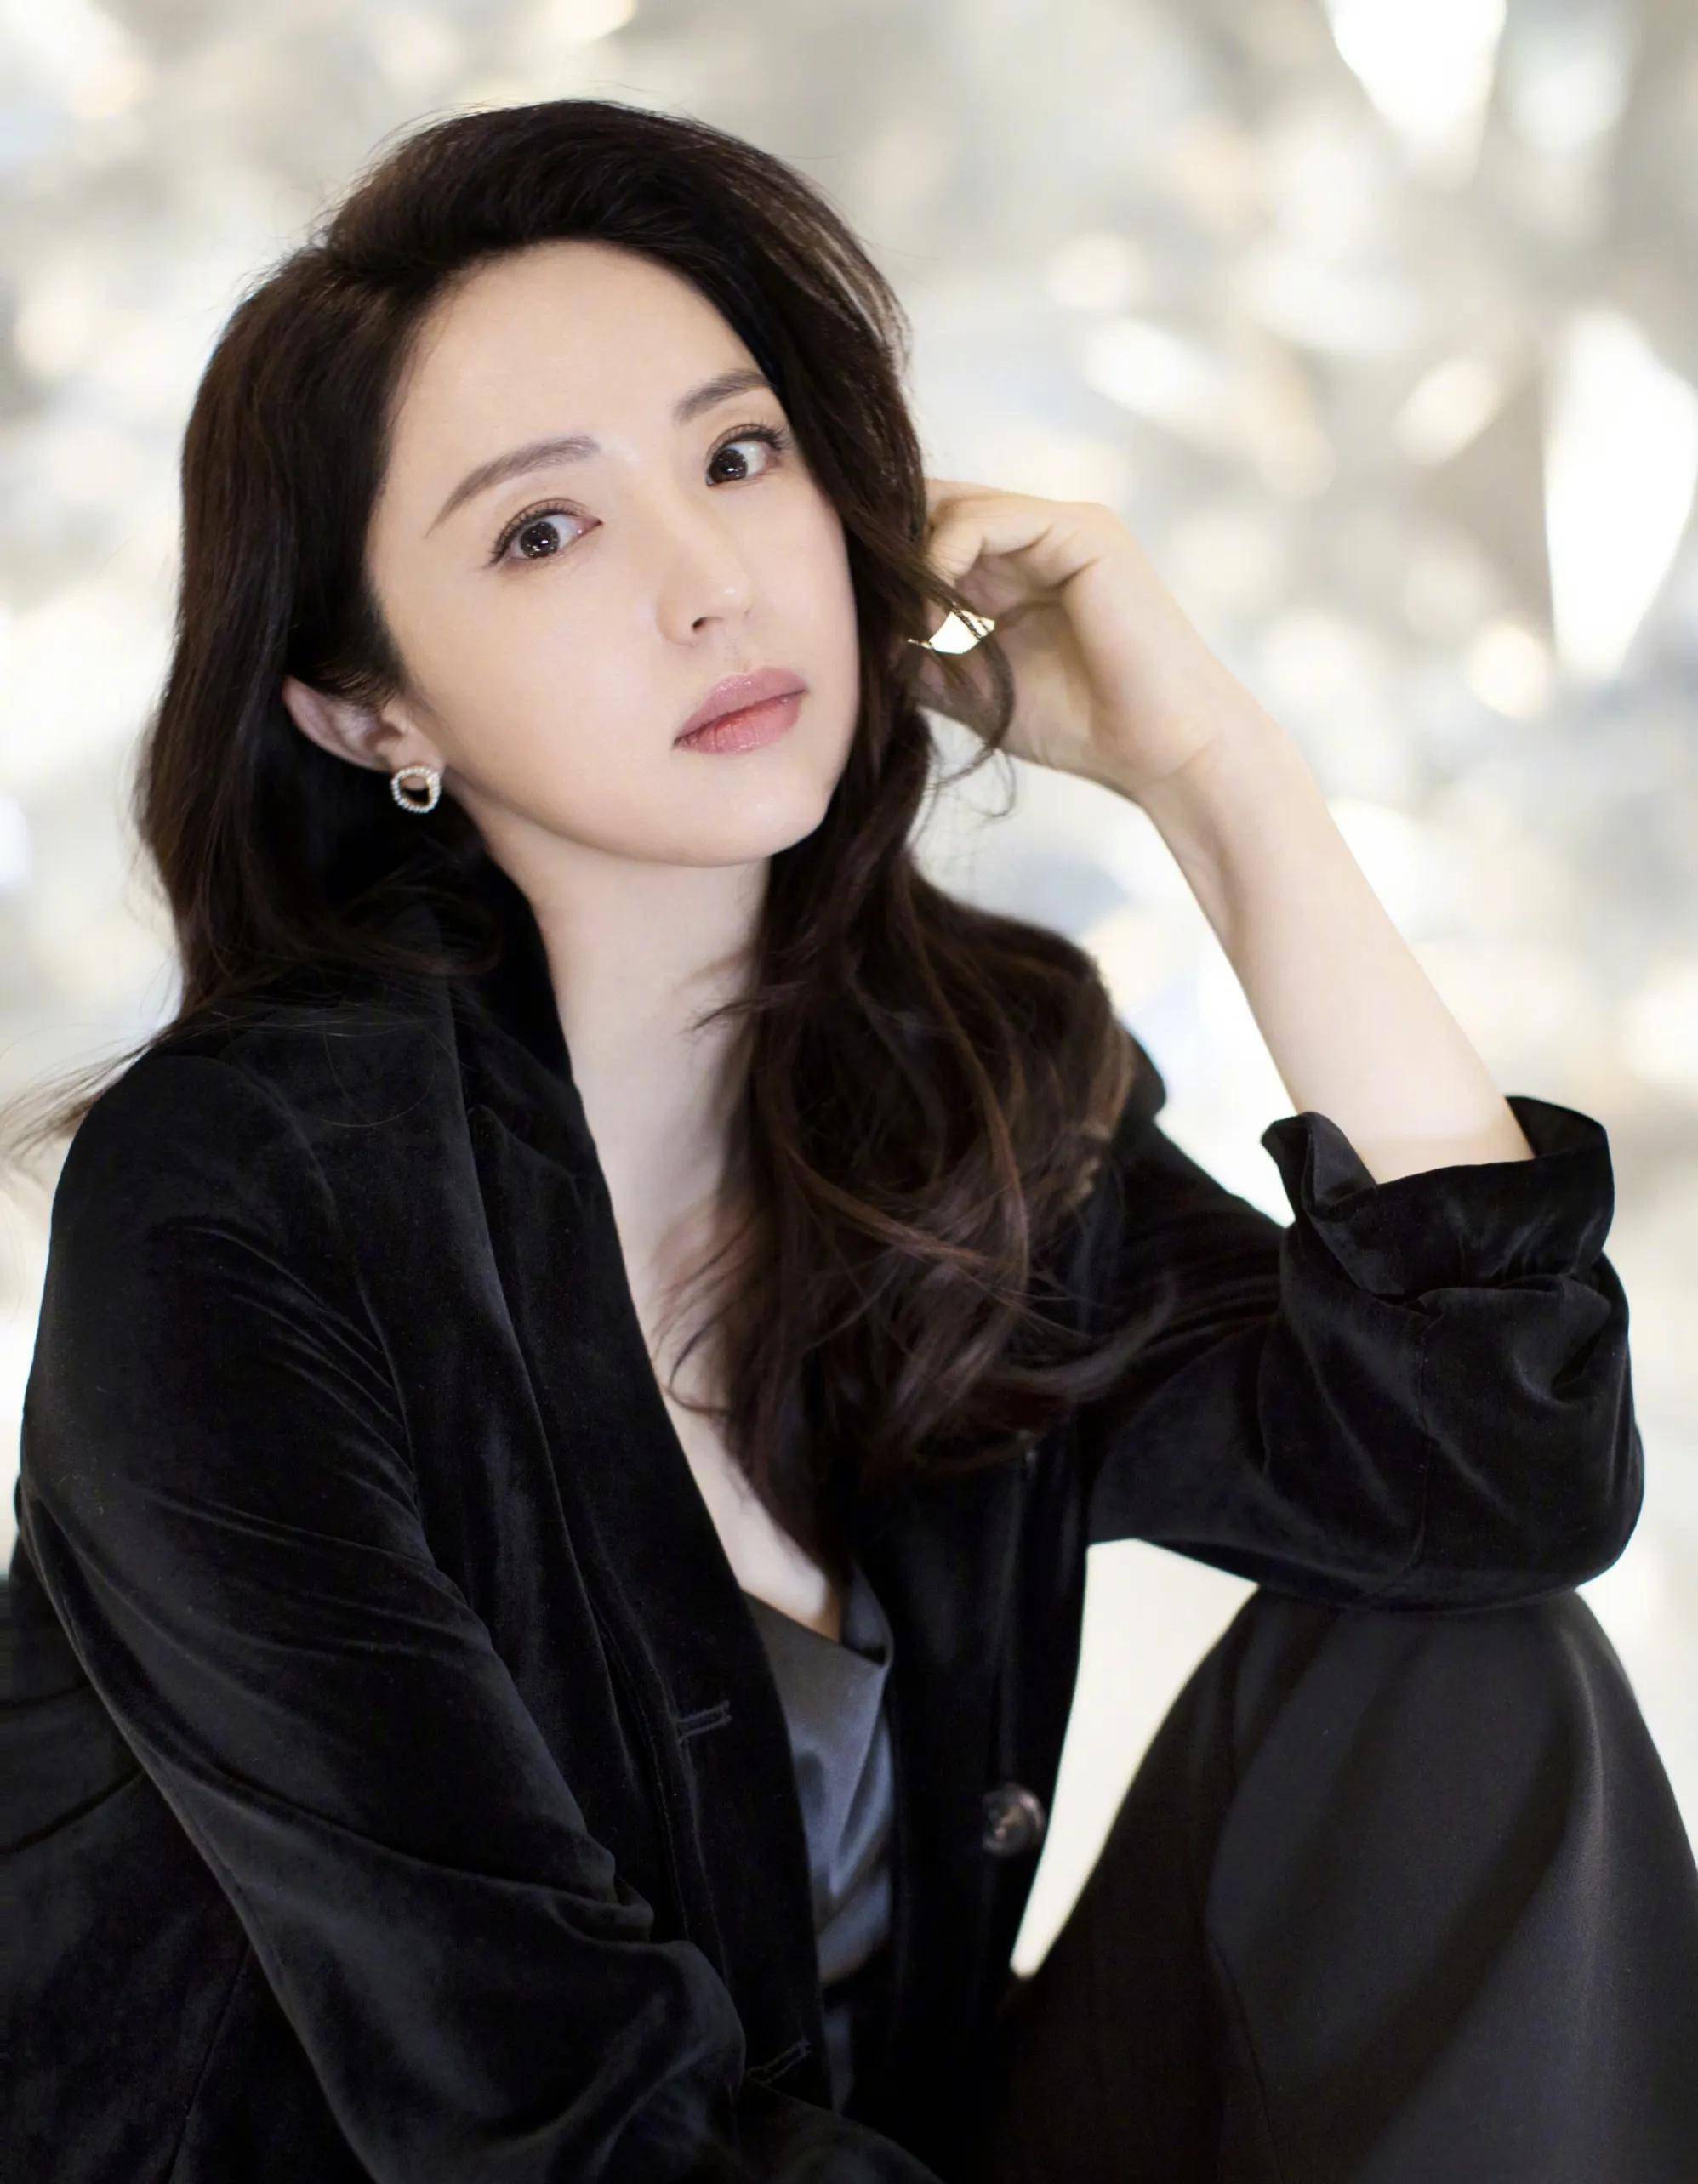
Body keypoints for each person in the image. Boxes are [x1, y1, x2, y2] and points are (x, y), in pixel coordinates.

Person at [4, 97, 1695, 2184]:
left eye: (738, 457)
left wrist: (1212, 772)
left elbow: (1497, 1475)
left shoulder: (964, 1093)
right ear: (371, 712)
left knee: (1475, 1667)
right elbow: (549, 2121)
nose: (710, 584)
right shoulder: (241, 1204)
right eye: (544, 532)